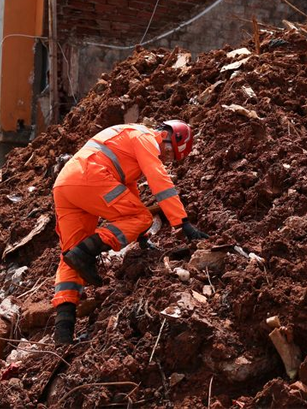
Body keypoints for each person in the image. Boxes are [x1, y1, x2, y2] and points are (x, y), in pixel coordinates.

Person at [51, 120, 208, 344]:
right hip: (89, 175)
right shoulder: (145, 138)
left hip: (66, 184)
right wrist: (182, 223)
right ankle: (86, 252)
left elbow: (129, 194)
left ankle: (62, 335)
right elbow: (159, 180)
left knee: (69, 256)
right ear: (166, 135)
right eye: (170, 152)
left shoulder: (128, 141)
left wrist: (142, 237)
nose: (166, 158)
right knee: (142, 218)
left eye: (171, 158)